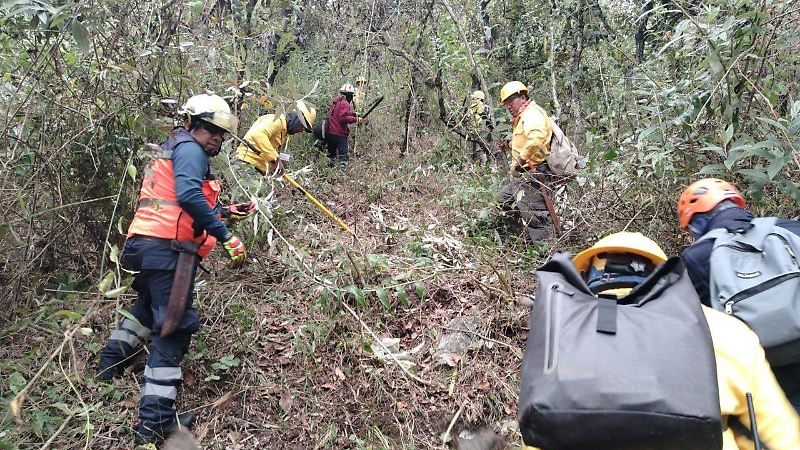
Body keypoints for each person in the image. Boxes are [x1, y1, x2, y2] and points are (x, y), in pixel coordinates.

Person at [522, 232, 800, 450]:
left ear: (586, 274)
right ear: (664, 275)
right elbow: (779, 435)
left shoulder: (564, 331)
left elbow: (539, 430)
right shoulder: (725, 331)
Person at [95, 94, 250, 445]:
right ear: (191, 124)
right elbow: (188, 199)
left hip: (146, 245)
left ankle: (109, 365)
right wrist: (226, 236)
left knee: (147, 309)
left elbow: (181, 201)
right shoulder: (191, 151)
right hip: (167, 250)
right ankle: (155, 423)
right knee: (173, 328)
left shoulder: (176, 147)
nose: (216, 138)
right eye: (211, 129)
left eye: (221, 133)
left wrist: (224, 211)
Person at [678, 177, 800, 413]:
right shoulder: (788, 228)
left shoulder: (696, 256)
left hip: (762, 366)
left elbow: (698, 325)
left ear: (697, 220)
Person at [496, 81, 553, 243]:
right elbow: (525, 141)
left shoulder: (532, 114)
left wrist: (519, 161)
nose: (508, 107)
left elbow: (536, 139)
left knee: (535, 216)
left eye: (511, 102)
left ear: (522, 97)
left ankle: (547, 253)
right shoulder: (523, 117)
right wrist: (508, 145)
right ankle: (525, 239)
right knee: (503, 200)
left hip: (537, 172)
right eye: (506, 104)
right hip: (526, 173)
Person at [327, 83, 362, 168]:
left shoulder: (336, 102)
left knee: (331, 154)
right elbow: (343, 118)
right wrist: (356, 119)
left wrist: (354, 114)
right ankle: (342, 172)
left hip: (330, 132)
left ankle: (329, 172)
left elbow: (341, 113)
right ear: (349, 95)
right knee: (344, 155)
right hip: (339, 134)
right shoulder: (345, 103)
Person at [467, 90, 494, 164]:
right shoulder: (486, 107)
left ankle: (484, 164)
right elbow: (488, 118)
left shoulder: (472, 108)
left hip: (477, 129)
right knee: (484, 147)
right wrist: (491, 127)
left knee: (479, 148)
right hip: (484, 128)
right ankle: (487, 164)